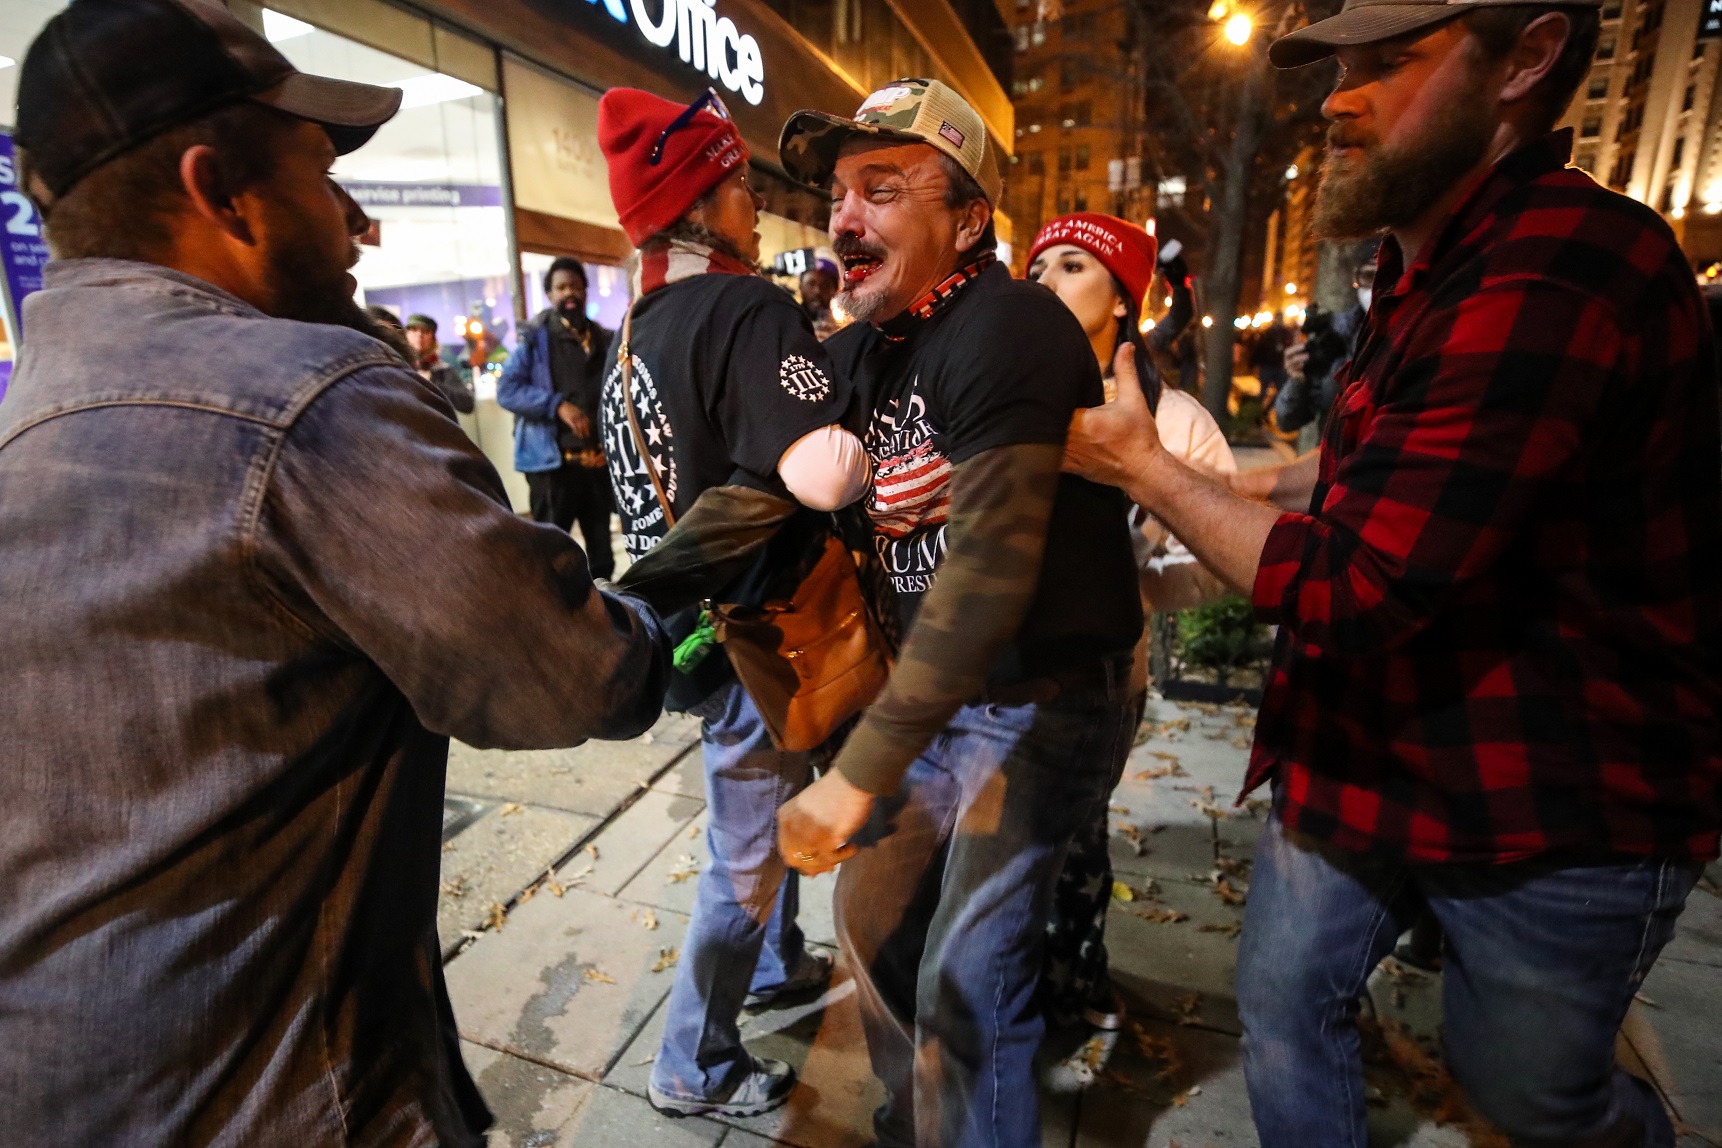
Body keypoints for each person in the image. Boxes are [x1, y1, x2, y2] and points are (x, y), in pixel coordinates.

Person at [0, 2, 672, 1144]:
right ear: (222, 193)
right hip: (280, 1095)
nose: (359, 224)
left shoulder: (25, 426)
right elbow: (577, 680)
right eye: (325, 177)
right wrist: (665, 616)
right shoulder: (304, 396)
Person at [1066, 3, 1722, 1144]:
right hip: (1371, 743)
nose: (1335, 99)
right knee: (1279, 997)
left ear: (1526, 57)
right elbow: (1395, 457)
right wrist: (1276, 483)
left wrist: (1146, 469)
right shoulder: (1420, 253)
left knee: (1529, 1092)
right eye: (1335, 68)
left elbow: (1358, 585)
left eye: (1389, 62)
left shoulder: (1561, 264)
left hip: (1550, 792)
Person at [774, 79, 1144, 1148]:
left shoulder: (1013, 323)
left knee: (971, 969)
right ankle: (926, 1120)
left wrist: (853, 775)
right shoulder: (872, 343)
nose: (846, 217)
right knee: (873, 917)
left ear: (968, 219)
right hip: (943, 698)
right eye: (841, 194)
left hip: (1044, 693)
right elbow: (764, 423)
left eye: (882, 189)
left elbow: (986, 581)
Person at [593, 86, 871, 1120]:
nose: (753, 200)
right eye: (741, 181)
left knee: (755, 815)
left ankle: (770, 965)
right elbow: (825, 473)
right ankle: (692, 1061)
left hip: (695, 632)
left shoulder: (637, 329)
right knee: (745, 850)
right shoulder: (745, 306)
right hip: (763, 624)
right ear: (701, 198)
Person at [1024, 213, 1236, 1091]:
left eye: (1072, 266)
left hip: (1104, 678)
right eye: (1035, 266)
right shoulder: (1012, 394)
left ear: (1122, 298)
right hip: (994, 669)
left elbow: (1219, 555)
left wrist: (1136, 581)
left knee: (1072, 843)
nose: (1044, 281)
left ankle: (1070, 988)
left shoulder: (1173, 420)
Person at [497, 256, 617, 577]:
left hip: (596, 467)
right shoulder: (535, 340)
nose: (569, 293)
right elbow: (507, 390)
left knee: (603, 557)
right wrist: (556, 405)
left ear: (586, 291)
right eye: (561, 287)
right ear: (549, 294)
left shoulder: (604, 340)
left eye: (576, 286)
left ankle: (605, 622)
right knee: (552, 559)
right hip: (553, 468)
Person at [1273, 242, 1375, 453]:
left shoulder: (1415, 333)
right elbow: (1286, 419)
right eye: (1369, 276)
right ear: (1356, 279)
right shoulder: (1333, 335)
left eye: (1388, 276)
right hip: (1334, 468)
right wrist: (1298, 379)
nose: (1378, 288)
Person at [405, 312, 476, 414]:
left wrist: (432, 382)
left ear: (433, 338)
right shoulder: (399, 365)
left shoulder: (443, 370)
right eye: (414, 330)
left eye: (425, 331)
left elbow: (467, 404)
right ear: (406, 334)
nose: (419, 335)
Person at [798, 259, 840, 337]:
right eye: (811, 284)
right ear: (800, 287)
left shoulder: (844, 326)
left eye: (825, 285)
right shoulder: (789, 324)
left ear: (835, 289)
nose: (817, 291)